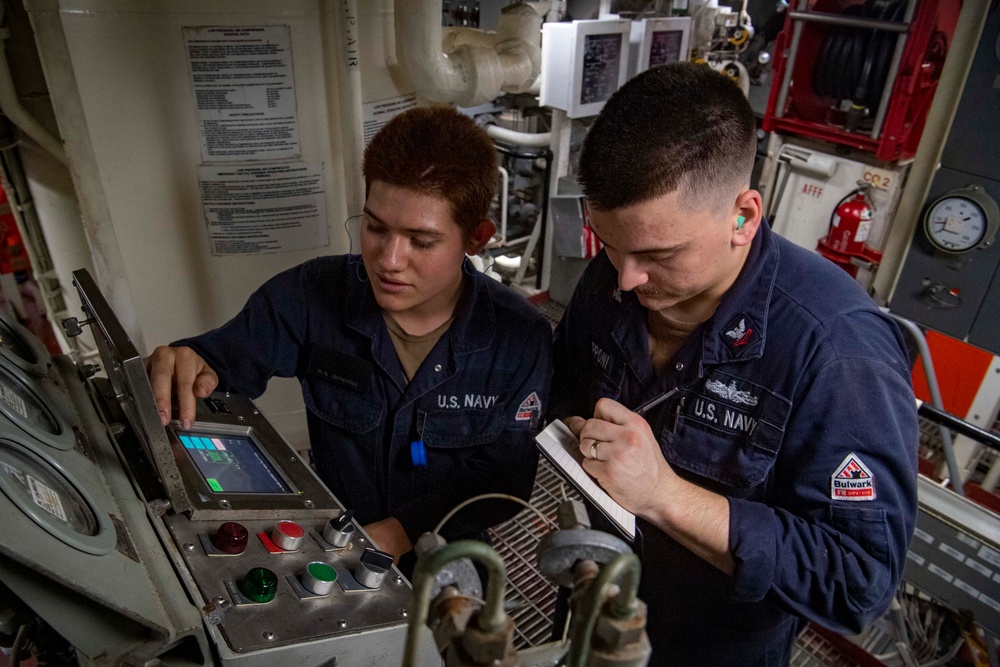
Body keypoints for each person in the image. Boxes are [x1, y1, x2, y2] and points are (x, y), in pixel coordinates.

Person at [549, 63, 918, 665]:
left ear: (744, 216)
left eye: (657, 254)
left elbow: (857, 579)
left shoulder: (838, 353)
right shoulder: (615, 281)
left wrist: (664, 494)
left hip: (715, 648)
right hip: (596, 600)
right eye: (609, 245)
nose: (626, 277)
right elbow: (567, 386)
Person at [147, 106, 552, 567]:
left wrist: (403, 530)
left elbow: (506, 480)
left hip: (448, 553)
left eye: (421, 241)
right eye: (376, 228)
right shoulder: (311, 295)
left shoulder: (519, 339)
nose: (389, 260)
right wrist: (191, 361)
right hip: (331, 539)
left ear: (476, 238)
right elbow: (224, 360)